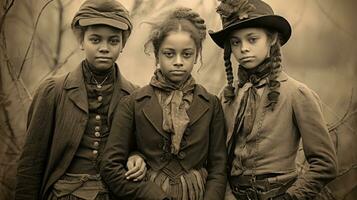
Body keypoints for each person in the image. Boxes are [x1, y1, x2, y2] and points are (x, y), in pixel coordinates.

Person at [15, 0, 146, 199]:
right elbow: (31, 164)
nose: (104, 48)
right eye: (95, 40)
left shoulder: (134, 96)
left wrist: (138, 157)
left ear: (122, 45)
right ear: (81, 41)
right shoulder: (53, 91)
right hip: (64, 194)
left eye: (113, 41)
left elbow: (142, 147)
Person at [208, 0, 338, 200]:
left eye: (252, 39)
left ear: (271, 39)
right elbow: (218, 160)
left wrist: (291, 197)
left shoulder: (297, 94)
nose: (243, 48)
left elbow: (325, 164)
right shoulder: (226, 98)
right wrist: (227, 194)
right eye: (236, 42)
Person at [100, 7, 227, 200]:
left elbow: (218, 167)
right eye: (169, 54)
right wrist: (149, 193)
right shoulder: (133, 103)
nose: (178, 62)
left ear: (197, 55)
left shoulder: (211, 104)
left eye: (186, 54)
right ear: (157, 54)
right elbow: (110, 166)